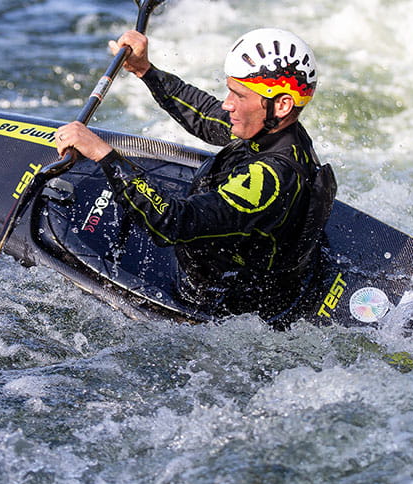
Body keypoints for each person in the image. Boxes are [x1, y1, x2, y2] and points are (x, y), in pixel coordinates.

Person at [54, 27, 336, 326]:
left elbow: (169, 224)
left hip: (223, 297)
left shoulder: (270, 179)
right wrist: (145, 70)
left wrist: (102, 154)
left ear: (282, 104)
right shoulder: (271, 129)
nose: (228, 103)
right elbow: (205, 117)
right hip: (251, 251)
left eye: (239, 95)